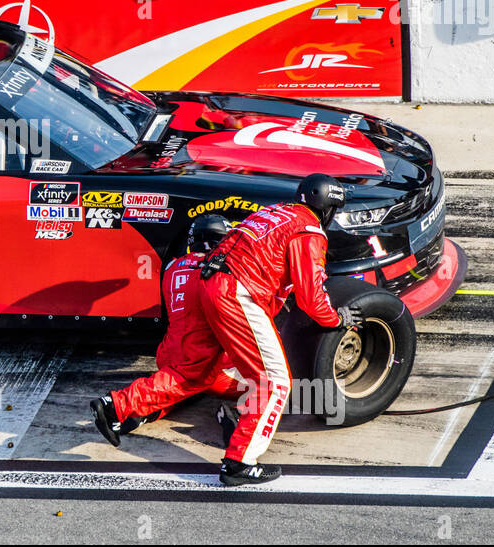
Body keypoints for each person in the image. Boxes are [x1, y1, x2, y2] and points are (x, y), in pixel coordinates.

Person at [91, 174, 360, 486]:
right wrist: (337, 319)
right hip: (237, 293)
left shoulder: (270, 213)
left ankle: (118, 407)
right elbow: (312, 298)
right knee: (274, 382)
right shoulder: (309, 230)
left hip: (211, 288)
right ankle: (240, 462)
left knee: (198, 373)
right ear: (327, 207)